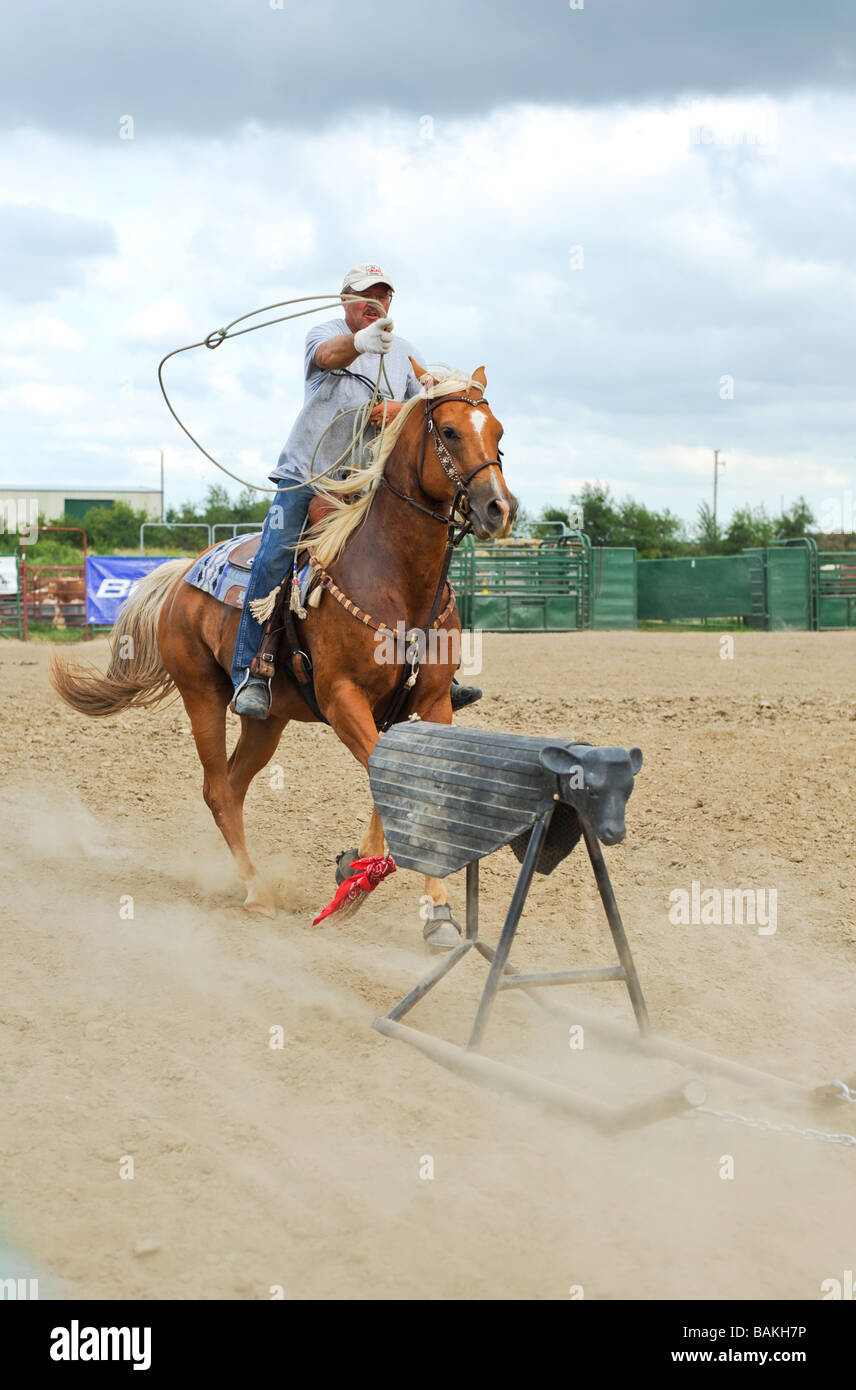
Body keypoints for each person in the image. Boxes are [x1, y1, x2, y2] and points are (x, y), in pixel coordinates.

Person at [231, 262, 483, 719]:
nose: (376, 302)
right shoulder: (324, 333)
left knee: (419, 558)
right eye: (366, 294)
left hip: (371, 486)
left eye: (384, 296)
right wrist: (359, 344)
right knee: (273, 556)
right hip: (309, 476)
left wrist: (403, 407)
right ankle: (253, 670)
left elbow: (424, 413)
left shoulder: (405, 352)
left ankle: (440, 673)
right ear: (344, 298)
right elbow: (327, 356)